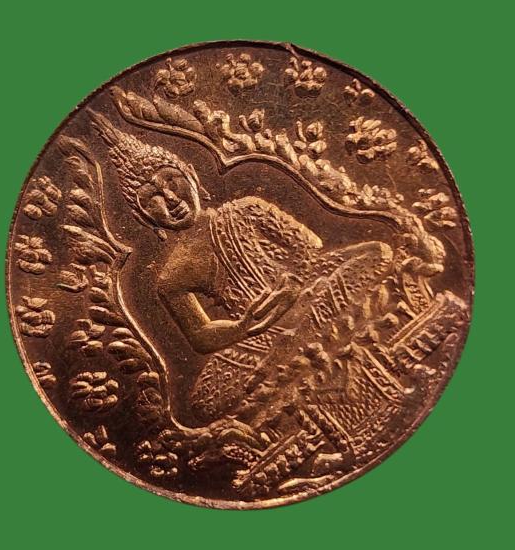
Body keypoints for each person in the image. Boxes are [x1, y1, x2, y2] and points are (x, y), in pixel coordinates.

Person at [91, 112, 393, 424]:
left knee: (377, 255)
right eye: (151, 197)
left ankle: (302, 349)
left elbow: (309, 247)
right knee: (204, 403)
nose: (170, 198)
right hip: (259, 337)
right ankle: (305, 346)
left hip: (311, 295)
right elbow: (201, 337)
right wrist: (244, 325)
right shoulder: (170, 278)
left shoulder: (247, 209)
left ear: (191, 176)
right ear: (143, 215)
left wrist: (294, 285)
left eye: (171, 181)